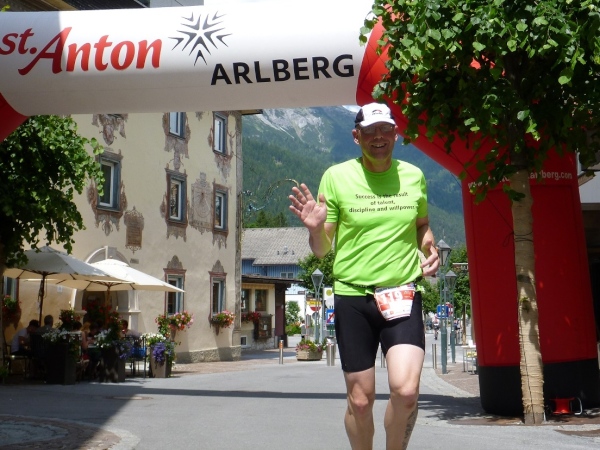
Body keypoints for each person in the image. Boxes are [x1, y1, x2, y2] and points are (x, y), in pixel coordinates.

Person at [289, 102, 439, 450]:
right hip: (352, 295)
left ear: (396, 134)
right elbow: (323, 250)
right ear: (356, 136)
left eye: (385, 129)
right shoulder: (336, 177)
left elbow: (421, 225)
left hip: (402, 292)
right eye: (369, 131)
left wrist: (429, 246)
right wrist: (315, 230)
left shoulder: (414, 176)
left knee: (406, 392)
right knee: (360, 401)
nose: (378, 137)